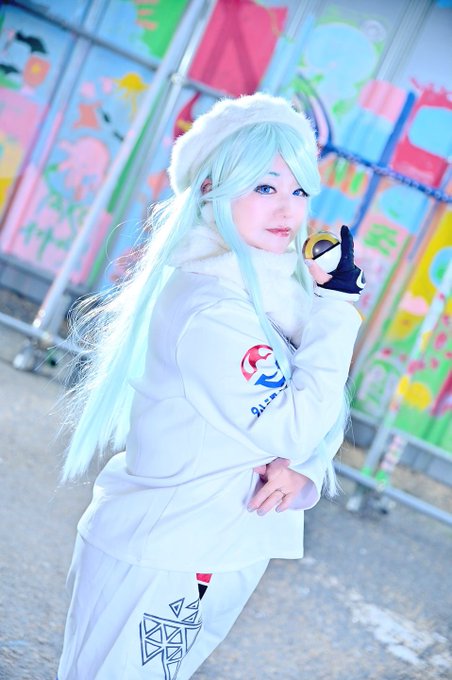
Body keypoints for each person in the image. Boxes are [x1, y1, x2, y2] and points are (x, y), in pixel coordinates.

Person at [57, 92, 364, 679]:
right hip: (172, 552)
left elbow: (302, 420)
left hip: (207, 545)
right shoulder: (215, 309)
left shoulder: (271, 293)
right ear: (210, 189)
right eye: (265, 186)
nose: (288, 208)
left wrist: (305, 470)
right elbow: (294, 423)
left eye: (300, 189)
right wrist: (337, 308)